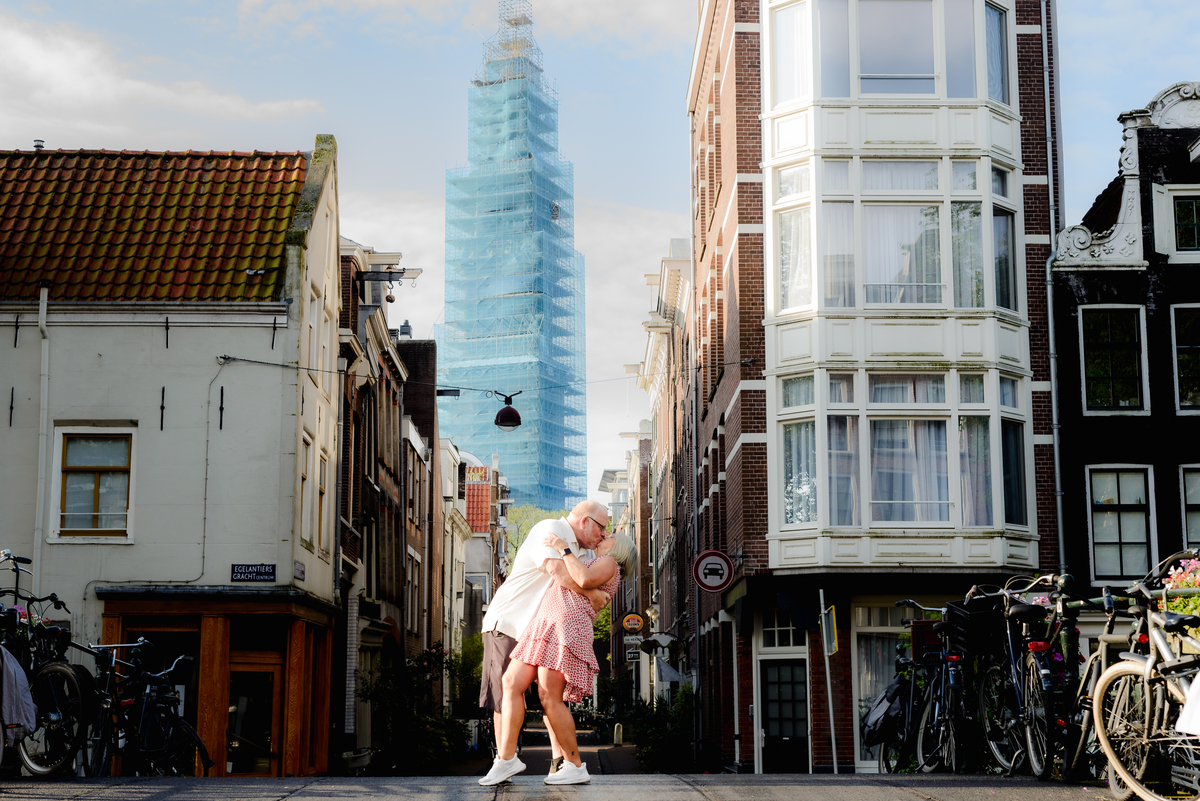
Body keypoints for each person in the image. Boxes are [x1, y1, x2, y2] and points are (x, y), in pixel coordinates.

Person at [477, 500, 610, 786]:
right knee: (506, 690)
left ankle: (561, 762)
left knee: (548, 693)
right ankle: (503, 760)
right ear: (585, 521)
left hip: (539, 629)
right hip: (511, 622)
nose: (603, 534)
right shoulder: (551, 530)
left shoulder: (581, 550)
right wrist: (592, 595)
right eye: (602, 527)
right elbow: (557, 573)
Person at [504, 527, 636, 785]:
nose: (604, 536)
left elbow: (584, 579)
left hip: (565, 627)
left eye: (609, 537)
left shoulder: (609, 563)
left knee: (549, 696)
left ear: (617, 547)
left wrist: (563, 548)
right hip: (551, 623)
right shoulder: (596, 560)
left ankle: (574, 764)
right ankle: (513, 758)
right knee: (530, 689)